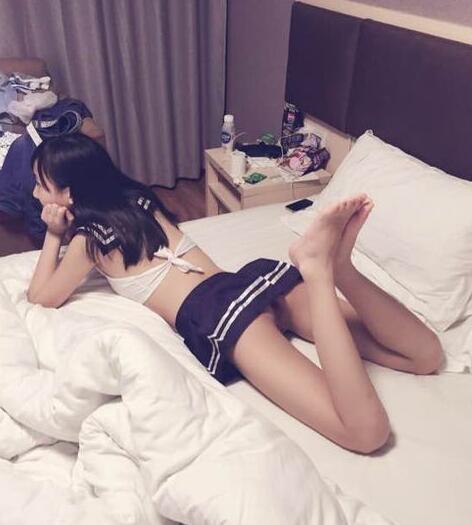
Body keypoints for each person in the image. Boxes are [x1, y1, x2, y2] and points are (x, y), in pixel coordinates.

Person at [27, 134, 443, 453]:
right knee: (425, 356)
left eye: (41, 186)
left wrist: (54, 233)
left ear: (69, 194)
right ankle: (341, 268)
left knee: (365, 432)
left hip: (218, 311)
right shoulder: (139, 199)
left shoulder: (87, 240)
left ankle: (320, 271)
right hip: (251, 281)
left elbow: (42, 297)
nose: (34, 194)